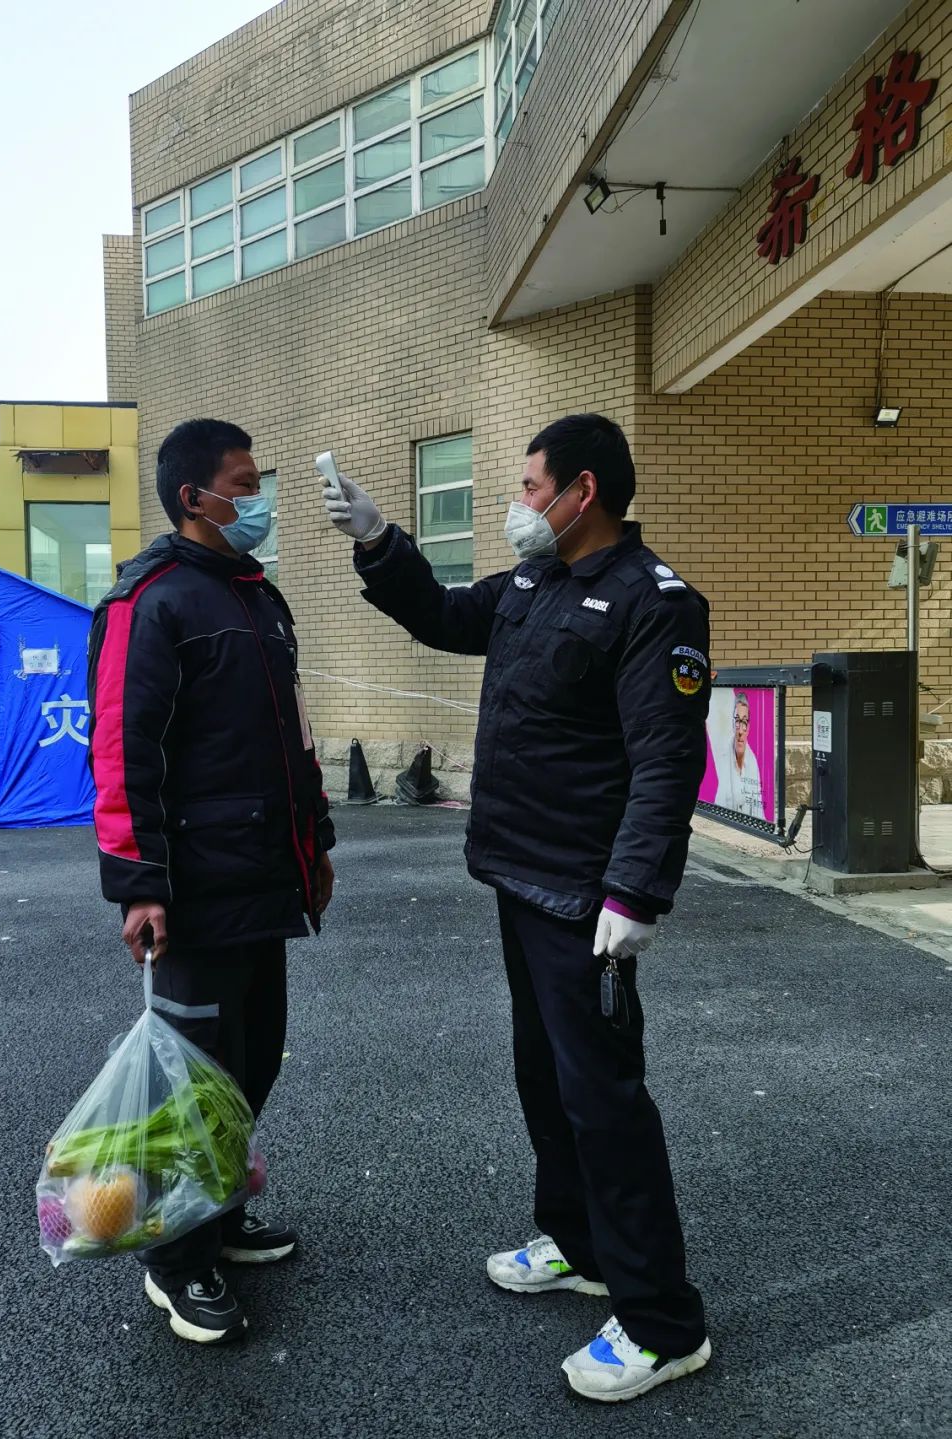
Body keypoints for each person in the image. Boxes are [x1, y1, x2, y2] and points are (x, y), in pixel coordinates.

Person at [322, 413, 711, 1403]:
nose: (520, 503)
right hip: (520, 874)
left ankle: (665, 1320)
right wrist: (380, 543)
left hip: (587, 894)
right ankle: (579, 1242)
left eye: (533, 486)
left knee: (606, 1099)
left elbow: (667, 763)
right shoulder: (535, 584)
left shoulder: (653, 604)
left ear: (584, 492)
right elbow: (446, 616)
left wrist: (636, 888)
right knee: (544, 1078)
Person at [88, 418, 335, 1345]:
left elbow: (295, 742)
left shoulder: (254, 596)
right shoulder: (149, 601)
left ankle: (218, 1214)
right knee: (187, 1086)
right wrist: (139, 885)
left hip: (263, 885)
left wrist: (318, 846)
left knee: (249, 1064)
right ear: (194, 496)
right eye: (245, 480)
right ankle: (174, 1259)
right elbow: (119, 749)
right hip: (191, 893)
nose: (258, 494)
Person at [714, 690, 764, 819]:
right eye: (737, 721)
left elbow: (758, 809)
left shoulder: (753, 765)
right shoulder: (723, 759)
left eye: (744, 722)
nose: (740, 730)